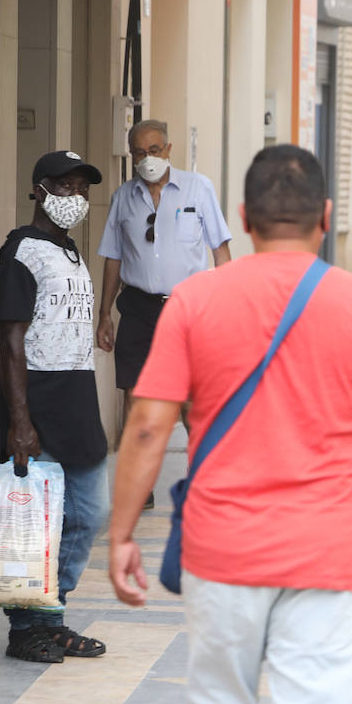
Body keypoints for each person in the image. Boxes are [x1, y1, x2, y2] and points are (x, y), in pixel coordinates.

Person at [108, 144, 352, 704]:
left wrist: (119, 536)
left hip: (222, 549)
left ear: (241, 216)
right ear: (326, 215)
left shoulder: (195, 301)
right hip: (328, 554)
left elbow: (147, 425)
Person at [0, 150, 109, 663]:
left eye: (82, 189)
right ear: (39, 190)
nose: (75, 198)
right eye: (64, 187)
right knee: (34, 524)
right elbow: (11, 343)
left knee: (88, 514)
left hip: (78, 398)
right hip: (35, 401)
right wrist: (20, 422)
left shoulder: (70, 251)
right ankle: (28, 628)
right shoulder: (21, 251)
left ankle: (50, 610)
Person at [96, 119, 233, 509]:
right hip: (138, 308)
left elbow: (220, 251)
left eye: (154, 151)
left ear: (169, 150)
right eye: (139, 152)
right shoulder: (124, 197)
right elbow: (112, 259)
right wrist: (104, 314)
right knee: (137, 400)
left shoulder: (198, 188)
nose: (147, 159)